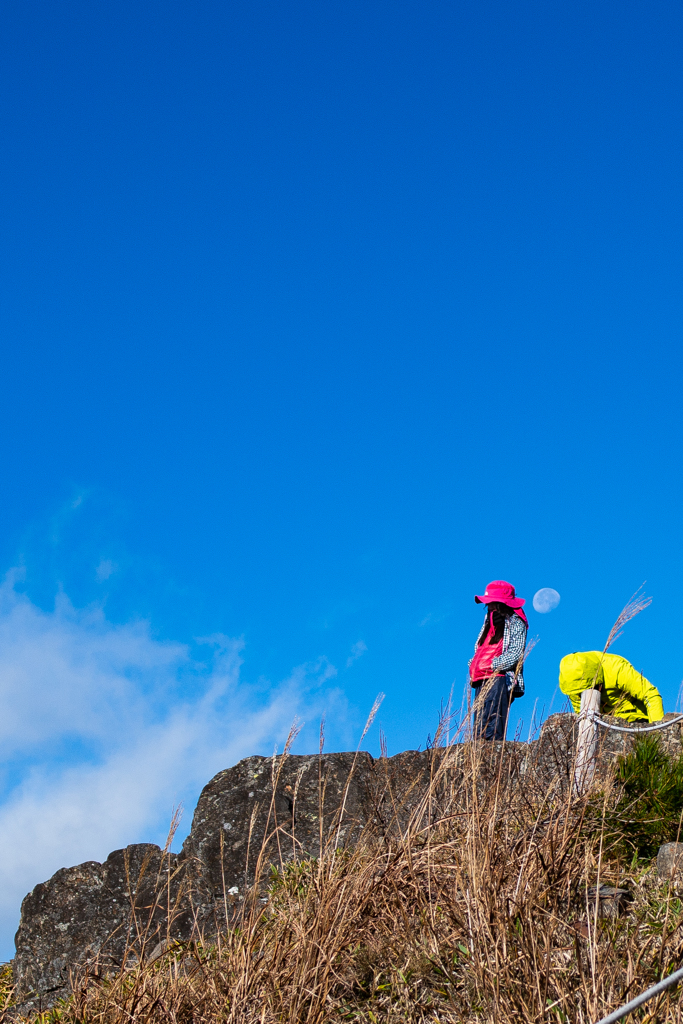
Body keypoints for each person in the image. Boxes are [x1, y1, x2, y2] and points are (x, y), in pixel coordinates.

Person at [469, 580, 528, 740]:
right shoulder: (488, 621)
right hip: (480, 678)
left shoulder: (516, 621)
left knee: (493, 728)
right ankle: (477, 762)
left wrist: (492, 665)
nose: (488, 606)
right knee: (478, 729)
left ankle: (492, 763)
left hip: (499, 678)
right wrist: (474, 665)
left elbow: (515, 653)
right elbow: (481, 648)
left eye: (491, 602)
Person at [559, 652, 664, 722]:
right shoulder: (572, 686)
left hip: (638, 720)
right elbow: (582, 714)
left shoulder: (616, 668)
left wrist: (657, 730)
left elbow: (650, 694)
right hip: (604, 727)